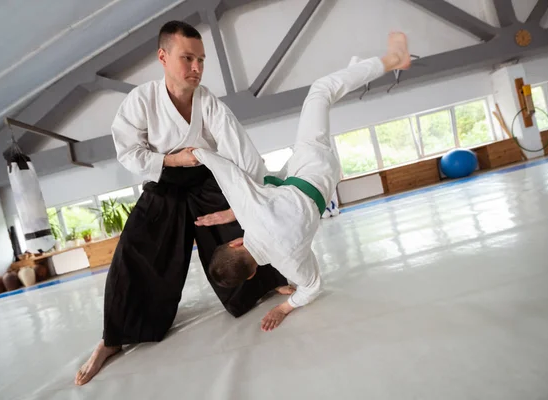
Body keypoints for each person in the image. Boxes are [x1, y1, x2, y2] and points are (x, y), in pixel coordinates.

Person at [75, 21, 290, 386]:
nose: (196, 68)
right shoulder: (141, 101)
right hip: (163, 180)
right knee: (135, 250)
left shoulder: (208, 102)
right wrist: (172, 160)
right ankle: (114, 338)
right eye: (187, 58)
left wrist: (259, 191)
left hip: (206, 178)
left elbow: (242, 152)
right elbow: (128, 152)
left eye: (201, 60)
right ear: (163, 56)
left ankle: (266, 280)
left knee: (236, 225)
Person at [192, 32, 412, 332]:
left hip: (317, 181)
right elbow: (226, 171)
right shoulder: (251, 215)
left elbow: (312, 287)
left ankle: (356, 70)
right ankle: (393, 60)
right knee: (320, 91)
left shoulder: (289, 266)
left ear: (253, 274)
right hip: (310, 165)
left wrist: (284, 308)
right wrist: (198, 154)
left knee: (266, 182)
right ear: (235, 241)